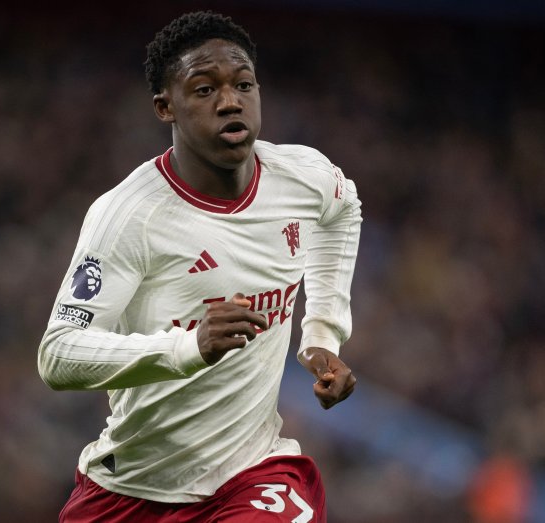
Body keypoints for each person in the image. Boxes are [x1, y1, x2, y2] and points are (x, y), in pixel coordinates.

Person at [38, 10, 362, 523]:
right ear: (165, 107)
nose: (230, 101)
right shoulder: (128, 216)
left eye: (243, 84)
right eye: (205, 89)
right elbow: (58, 355)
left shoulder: (302, 177)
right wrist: (189, 346)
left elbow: (344, 210)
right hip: (132, 490)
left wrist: (323, 333)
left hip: (251, 475)